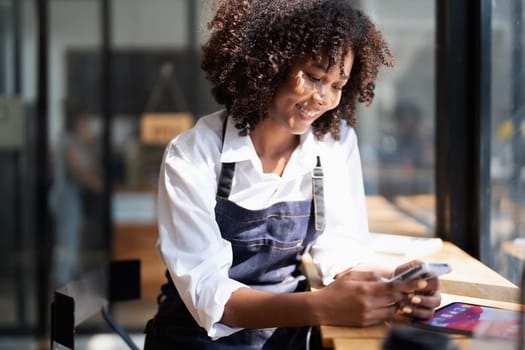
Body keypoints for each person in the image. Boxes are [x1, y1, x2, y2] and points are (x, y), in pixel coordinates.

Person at [144, 0, 441, 349]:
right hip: (193, 340)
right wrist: (321, 305)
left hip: (286, 339)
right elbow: (211, 297)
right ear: (270, 63)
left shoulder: (333, 142)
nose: (324, 97)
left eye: (337, 84)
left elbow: (339, 254)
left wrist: (393, 284)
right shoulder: (193, 154)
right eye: (314, 77)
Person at [49, 100, 104, 284]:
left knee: (73, 237)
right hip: (66, 197)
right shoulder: (68, 142)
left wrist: (89, 144)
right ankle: (61, 279)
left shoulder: (80, 142)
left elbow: (93, 166)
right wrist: (98, 185)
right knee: (67, 239)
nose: (87, 125)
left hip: (74, 198)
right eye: (85, 121)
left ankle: (68, 277)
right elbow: (78, 172)